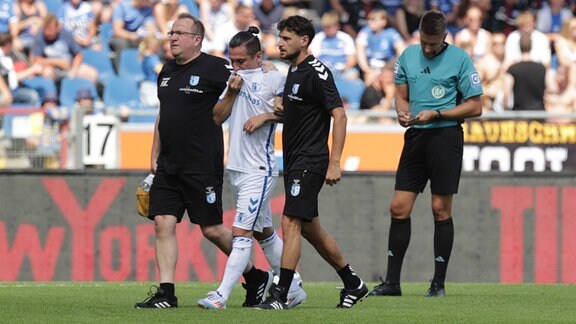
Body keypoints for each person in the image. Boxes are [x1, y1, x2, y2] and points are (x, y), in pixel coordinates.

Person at [134, 13, 271, 309]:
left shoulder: (214, 67)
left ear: (197, 40)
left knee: (210, 229)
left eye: (180, 33)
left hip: (201, 162)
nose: (172, 37)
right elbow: (164, 113)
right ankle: (166, 293)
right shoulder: (167, 70)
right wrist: (153, 152)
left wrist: (268, 69)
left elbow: (248, 73)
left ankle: (256, 276)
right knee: (162, 223)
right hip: (169, 164)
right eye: (171, 32)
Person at [255, 15, 368, 310]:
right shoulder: (294, 71)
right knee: (309, 228)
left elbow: (339, 115)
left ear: (304, 40)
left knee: (290, 221)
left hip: (311, 160)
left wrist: (335, 161)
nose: (280, 43)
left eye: (287, 38)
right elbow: (298, 113)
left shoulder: (317, 72)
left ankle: (282, 295)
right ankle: (353, 283)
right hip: (295, 161)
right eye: (280, 37)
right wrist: (272, 113)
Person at [369, 10, 482, 298]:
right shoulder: (407, 56)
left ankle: (438, 284)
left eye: (433, 44)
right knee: (398, 207)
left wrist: (439, 113)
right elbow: (401, 94)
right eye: (424, 43)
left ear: (444, 37)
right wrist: (400, 111)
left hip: (446, 137)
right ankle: (393, 283)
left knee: (440, 209)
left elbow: (475, 106)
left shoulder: (460, 59)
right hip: (416, 137)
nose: (428, 49)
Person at [197, 26, 307, 310]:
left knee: (241, 232)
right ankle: (292, 287)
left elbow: (289, 113)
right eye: (232, 60)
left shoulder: (273, 76)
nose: (236, 66)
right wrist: (232, 94)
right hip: (236, 167)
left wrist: (266, 117)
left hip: (259, 167)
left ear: (258, 57)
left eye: (241, 61)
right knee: (263, 232)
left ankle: (221, 295)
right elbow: (216, 117)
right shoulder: (234, 79)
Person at [502, 33, 547, 111]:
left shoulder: (513, 69)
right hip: (539, 113)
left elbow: (506, 94)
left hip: (520, 115)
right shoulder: (542, 68)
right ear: (531, 46)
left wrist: (506, 109)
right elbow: (549, 91)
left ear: (519, 47)